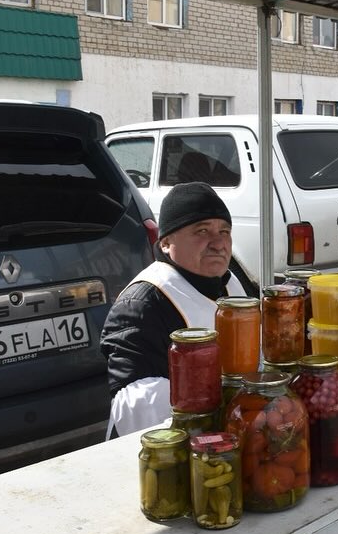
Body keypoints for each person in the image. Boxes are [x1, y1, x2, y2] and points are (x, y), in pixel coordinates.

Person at [101, 181, 256, 437]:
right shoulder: (141, 304)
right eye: (202, 231)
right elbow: (135, 402)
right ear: (165, 243)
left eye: (224, 231)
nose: (218, 243)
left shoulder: (230, 284)